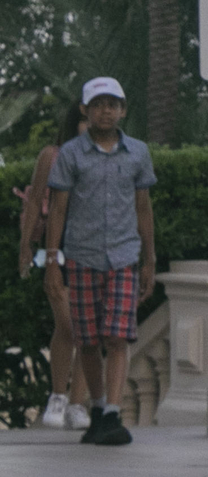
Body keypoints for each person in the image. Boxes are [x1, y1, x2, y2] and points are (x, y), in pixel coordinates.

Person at [42, 78, 156, 446]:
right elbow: (58, 209)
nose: (106, 110)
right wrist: (52, 262)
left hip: (124, 255)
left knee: (117, 335)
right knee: (88, 340)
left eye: (113, 104)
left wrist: (149, 259)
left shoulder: (137, 153)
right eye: (98, 104)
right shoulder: (72, 154)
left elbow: (143, 206)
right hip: (82, 256)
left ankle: (112, 412)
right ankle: (97, 407)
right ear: (85, 110)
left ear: (123, 110)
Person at [16, 102, 91, 430]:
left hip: (92, 251)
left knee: (82, 331)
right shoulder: (52, 156)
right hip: (56, 250)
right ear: (75, 121)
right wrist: (24, 246)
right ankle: (59, 395)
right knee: (70, 324)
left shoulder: (107, 159)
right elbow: (34, 202)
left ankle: (74, 402)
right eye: (85, 121)